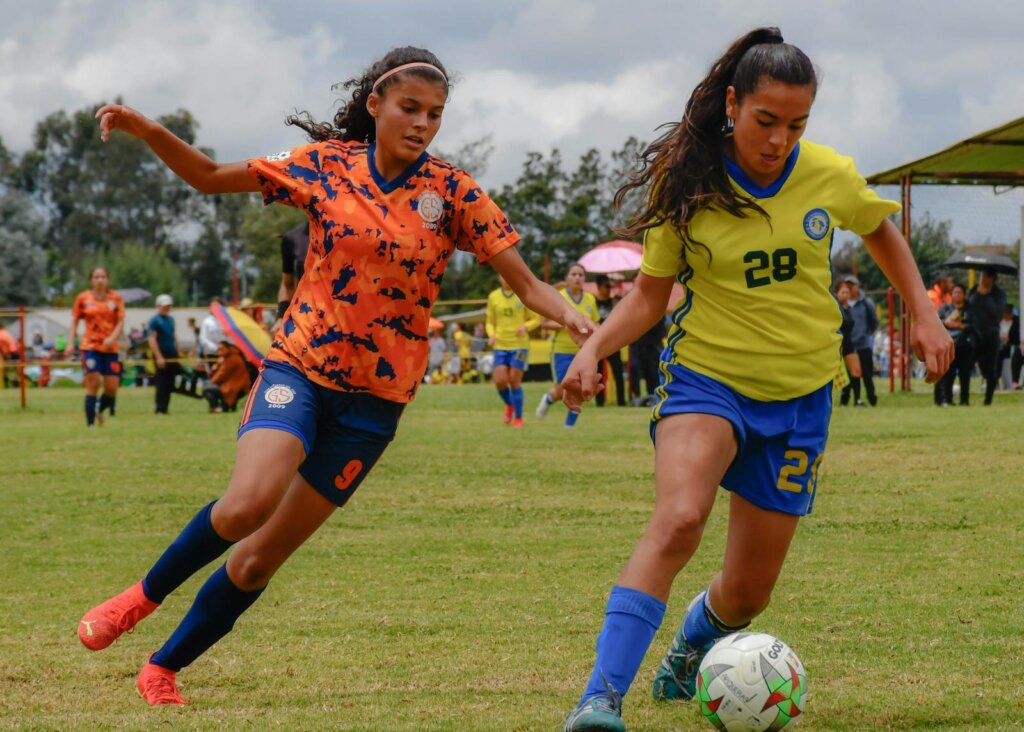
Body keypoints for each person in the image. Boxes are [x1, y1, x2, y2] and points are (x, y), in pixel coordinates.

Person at [80, 46, 593, 707]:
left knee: (261, 558)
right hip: (300, 367)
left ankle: (163, 667)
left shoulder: (455, 193)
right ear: (375, 104)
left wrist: (578, 323)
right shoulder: (325, 168)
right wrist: (149, 131)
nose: (422, 124)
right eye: (409, 108)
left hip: (375, 407)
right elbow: (207, 176)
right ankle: (139, 599)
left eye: (435, 115)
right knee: (246, 505)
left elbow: (524, 283)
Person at [555, 27, 952, 732]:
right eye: (766, 120)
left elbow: (881, 229)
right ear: (733, 104)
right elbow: (649, 295)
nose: (778, 140)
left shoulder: (827, 173)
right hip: (706, 380)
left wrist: (923, 311)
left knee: (746, 594)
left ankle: (689, 651)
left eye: (796, 124)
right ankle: (599, 699)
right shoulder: (687, 184)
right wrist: (594, 352)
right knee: (679, 520)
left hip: (802, 396)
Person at [536, 262, 600, 428]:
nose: (577, 278)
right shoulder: (560, 296)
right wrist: (568, 323)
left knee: (580, 388)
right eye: (574, 274)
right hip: (561, 352)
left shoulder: (590, 299)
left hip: (582, 352)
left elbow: (595, 323)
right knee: (560, 391)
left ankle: (569, 426)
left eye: (581, 275)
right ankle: (549, 399)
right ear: (567, 278)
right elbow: (544, 323)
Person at [66, 267, 125, 427]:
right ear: (91, 280)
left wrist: (113, 338)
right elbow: (75, 321)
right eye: (96, 277)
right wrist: (71, 343)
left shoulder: (115, 298)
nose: (100, 280)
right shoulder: (83, 298)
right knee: (92, 383)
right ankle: (90, 424)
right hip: (90, 346)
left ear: (108, 280)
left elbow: (120, 321)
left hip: (110, 348)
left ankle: (99, 407)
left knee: (112, 387)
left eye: (103, 277)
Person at [486, 272, 539, 426]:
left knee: (514, 381)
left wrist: (525, 326)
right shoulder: (493, 297)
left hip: (520, 346)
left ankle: (518, 418)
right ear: (499, 277)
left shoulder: (522, 294)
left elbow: (536, 319)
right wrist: (492, 334)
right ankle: (510, 405)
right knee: (500, 381)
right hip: (501, 346)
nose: (506, 277)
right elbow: (489, 321)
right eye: (502, 274)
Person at [965, 268, 1007, 405]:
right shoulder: (973, 291)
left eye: (985, 276)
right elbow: (969, 307)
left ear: (992, 278)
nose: (982, 279)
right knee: (967, 366)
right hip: (973, 334)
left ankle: (988, 400)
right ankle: (964, 399)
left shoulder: (999, 294)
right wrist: (978, 294)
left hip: (990, 335)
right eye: (981, 275)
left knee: (989, 369)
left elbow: (997, 312)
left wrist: (987, 295)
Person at [838, 274, 879, 406]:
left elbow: (874, 322)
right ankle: (846, 400)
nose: (849, 288)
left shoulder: (865, 303)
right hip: (847, 344)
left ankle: (871, 399)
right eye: (846, 285)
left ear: (857, 287)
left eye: (852, 285)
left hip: (862, 344)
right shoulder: (840, 305)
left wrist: (865, 334)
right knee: (849, 374)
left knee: (866, 374)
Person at [936, 283, 975, 406]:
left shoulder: (970, 310)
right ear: (951, 295)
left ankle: (964, 400)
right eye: (955, 293)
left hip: (965, 345)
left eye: (960, 293)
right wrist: (947, 323)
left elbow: (974, 325)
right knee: (948, 374)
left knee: (965, 374)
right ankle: (946, 399)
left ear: (964, 295)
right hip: (949, 345)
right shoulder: (944, 308)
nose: (957, 295)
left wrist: (961, 326)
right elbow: (937, 322)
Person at [593, 275, 626, 407]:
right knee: (599, 374)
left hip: (612, 342)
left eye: (610, 286)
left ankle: (621, 401)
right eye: (606, 286)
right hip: (598, 343)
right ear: (598, 287)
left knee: (618, 373)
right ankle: (600, 402)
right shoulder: (593, 302)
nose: (609, 289)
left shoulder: (614, 302)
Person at [273, 222, 310, 333]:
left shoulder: (347, 233)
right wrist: (281, 317)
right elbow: (287, 283)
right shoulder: (292, 238)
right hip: (306, 317)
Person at [148, 294, 180, 415]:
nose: (166, 308)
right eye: (164, 306)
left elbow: (173, 336)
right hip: (161, 354)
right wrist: (158, 356)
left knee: (169, 383)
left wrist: (178, 351)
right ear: (158, 307)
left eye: (168, 306)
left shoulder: (171, 320)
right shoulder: (155, 321)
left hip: (172, 354)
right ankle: (159, 408)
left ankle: (166, 407)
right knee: (161, 382)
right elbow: (152, 339)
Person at [202, 341, 252, 412]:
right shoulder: (228, 357)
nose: (219, 352)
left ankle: (216, 407)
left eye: (221, 349)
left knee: (206, 389)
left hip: (235, 387)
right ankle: (219, 407)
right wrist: (217, 365)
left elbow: (221, 374)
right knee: (207, 385)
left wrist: (211, 382)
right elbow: (218, 373)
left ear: (228, 348)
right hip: (231, 384)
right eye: (218, 350)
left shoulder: (232, 359)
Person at [628, 317, 666, 404]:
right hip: (637, 342)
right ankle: (636, 396)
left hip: (653, 342)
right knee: (635, 368)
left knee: (653, 370)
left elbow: (661, 328)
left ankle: (653, 396)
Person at [835, 280, 863, 385]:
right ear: (837, 294)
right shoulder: (835, 308)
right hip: (838, 343)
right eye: (843, 292)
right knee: (841, 373)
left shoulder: (850, 309)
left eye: (847, 292)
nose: (846, 295)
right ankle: (843, 398)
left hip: (849, 342)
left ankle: (858, 399)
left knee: (856, 370)